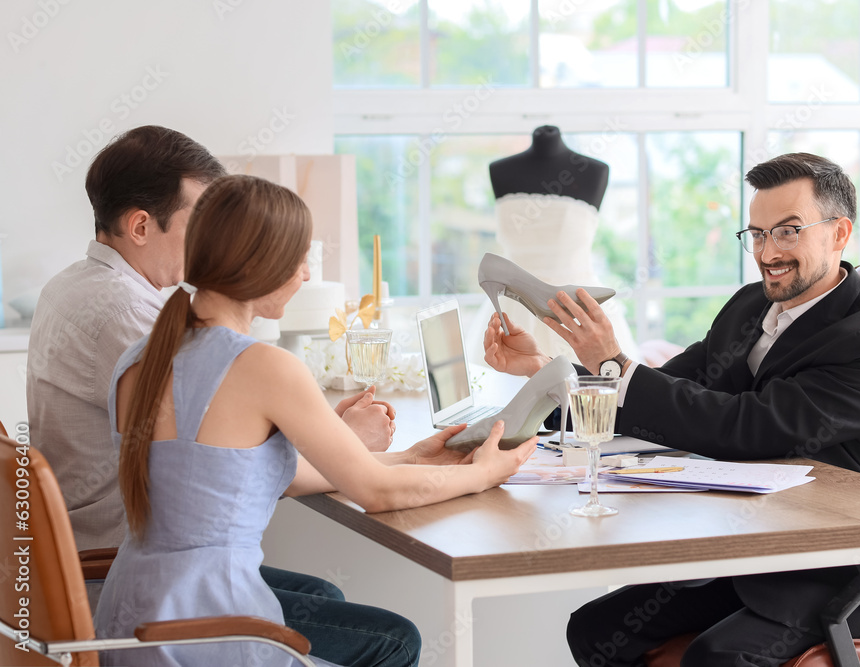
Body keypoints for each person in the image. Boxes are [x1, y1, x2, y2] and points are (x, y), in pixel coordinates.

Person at [482, 152, 860, 666]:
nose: (768, 252)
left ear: (839, 233)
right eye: (757, 234)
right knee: (596, 628)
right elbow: (656, 395)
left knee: (717, 657)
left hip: (840, 571)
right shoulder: (749, 306)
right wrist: (544, 368)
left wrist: (613, 363)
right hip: (752, 551)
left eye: (788, 231)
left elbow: (746, 426)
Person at [93, 174, 537, 667]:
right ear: (259, 264)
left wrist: (409, 456)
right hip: (206, 629)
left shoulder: (140, 357)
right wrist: (484, 474)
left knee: (325, 596)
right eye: (298, 259)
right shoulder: (262, 366)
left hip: (129, 615)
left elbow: (247, 478)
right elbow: (378, 495)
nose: (305, 274)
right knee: (395, 640)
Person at [26, 126, 417, 666]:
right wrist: (345, 441)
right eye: (202, 220)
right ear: (141, 225)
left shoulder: (73, 287)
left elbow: (218, 444)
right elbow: (219, 458)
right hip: (133, 583)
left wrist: (345, 441)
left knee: (325, 597)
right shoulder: (129, 316)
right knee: (389, 639)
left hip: (114, 565)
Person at [469, 125, 637, 366]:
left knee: (596, 393)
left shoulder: (595, 171)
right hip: (511, 305)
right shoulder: (499, 170)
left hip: (576, 307)